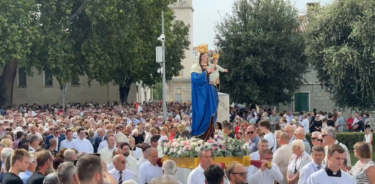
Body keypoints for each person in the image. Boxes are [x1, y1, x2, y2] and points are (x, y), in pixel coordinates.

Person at [190, 43, 218, 140]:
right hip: (200, 94)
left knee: (211, 111)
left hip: (209, 91)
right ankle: (200, 134)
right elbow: (195, 79)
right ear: (200, 57)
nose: (206, 58)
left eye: (207, 56)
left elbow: (214, 76)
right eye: (204, 56)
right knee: (201, 112)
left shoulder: (210, 65)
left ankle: (209, 134)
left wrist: (213, 80)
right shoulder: (195, 67)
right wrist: (206, 72)